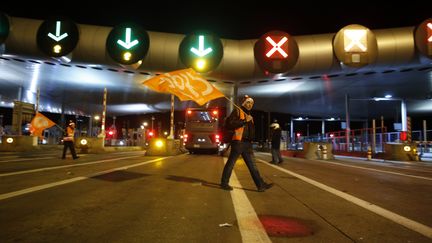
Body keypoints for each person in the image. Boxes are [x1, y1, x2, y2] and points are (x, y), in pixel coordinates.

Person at [220, 95, 273, 192]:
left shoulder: (249, 116)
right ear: (244, 103)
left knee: (253, 166)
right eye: (248, 102)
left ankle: (260, 185)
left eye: (252, 103)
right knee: (231, 163)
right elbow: (230, 124)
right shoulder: (238, 111)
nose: (250, 105)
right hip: (238, 142)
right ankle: (224, 183)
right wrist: (244, 121)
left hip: (248, 144)